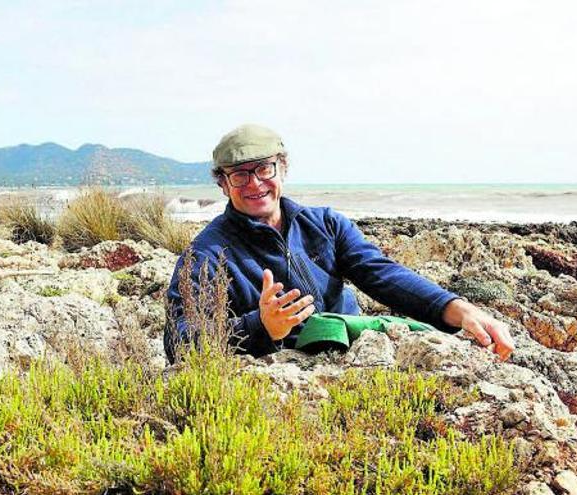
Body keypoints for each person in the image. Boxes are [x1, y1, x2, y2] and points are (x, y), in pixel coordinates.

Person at [163, 124, 515, 364]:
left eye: (264, 169)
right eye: (239, 174)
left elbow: (381, 274)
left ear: (281, 169)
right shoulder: (206, 256)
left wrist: (460, 309)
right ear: (223, 184)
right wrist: (261, 326)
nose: (254, 183)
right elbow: (177, 342)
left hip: (356, 359)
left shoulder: (326, 224)